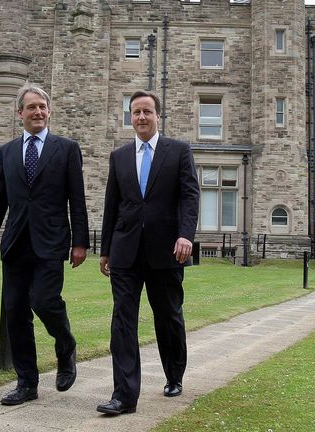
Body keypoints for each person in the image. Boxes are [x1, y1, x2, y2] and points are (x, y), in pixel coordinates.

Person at [0, 85, 90, 406]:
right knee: (16, 314)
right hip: (15, 244)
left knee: (44, 301)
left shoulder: (66, 149)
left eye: (43, 107)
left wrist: (80, 242)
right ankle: (27, 383)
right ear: (20, 113)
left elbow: (77, 201)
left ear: (49, 111)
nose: (38, 112)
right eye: (32, 108)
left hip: (51, 242)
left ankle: (65, 345)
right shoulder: (7, 152)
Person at [96, 90, 200, 416]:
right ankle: (124, 395)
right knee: (122, 321)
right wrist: (105, 250)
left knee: (167, 316)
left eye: (147, 112)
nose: (141, 117)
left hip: (167, 250)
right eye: (136, 112)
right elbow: (112, 205)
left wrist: (186, 235)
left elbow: (190, 196)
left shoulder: (179, 151)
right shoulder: (120, 156)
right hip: (125, 252)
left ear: (158, 116)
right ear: (130, 117)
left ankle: (174, 374)